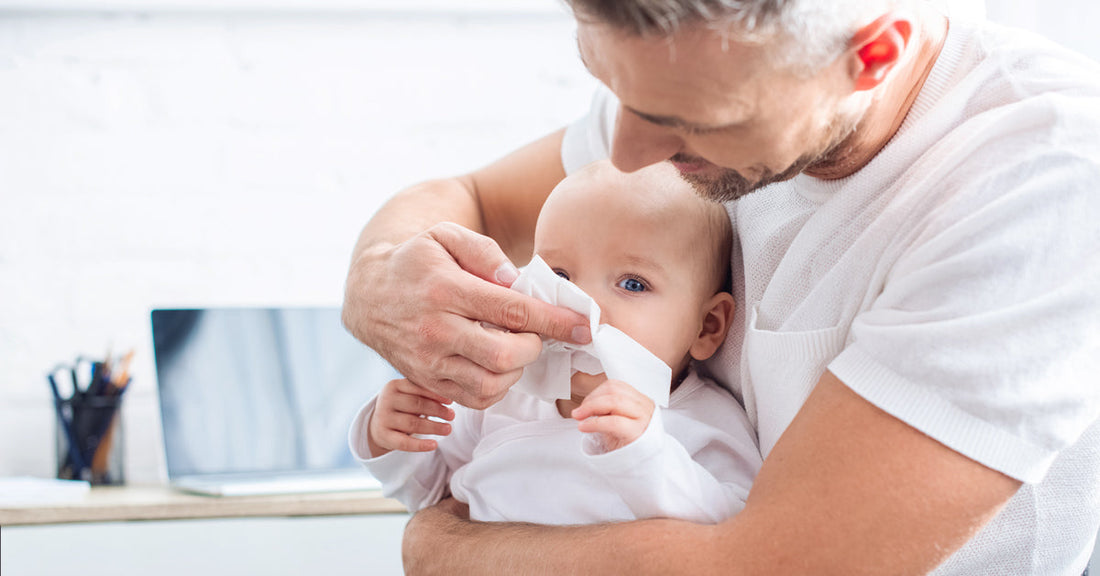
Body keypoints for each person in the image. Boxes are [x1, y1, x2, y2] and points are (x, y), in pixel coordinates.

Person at [341, 0, 1100, 573]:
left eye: (688, 122)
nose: (630, 154)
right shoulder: (693, 72)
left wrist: (443, 547)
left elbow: (758, 568)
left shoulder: (1041, 186)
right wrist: (379, 280)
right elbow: (470, 196)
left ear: (872, 55)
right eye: (612, 87)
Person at [349, 160, 761, 525]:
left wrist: (646, 457)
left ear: (706, 326)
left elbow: (735, 529)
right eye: (559, 277)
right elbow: (431, 496)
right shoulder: (501, 393)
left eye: (632, 283)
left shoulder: (705, 422)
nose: (582, 305)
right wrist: (390, 440)